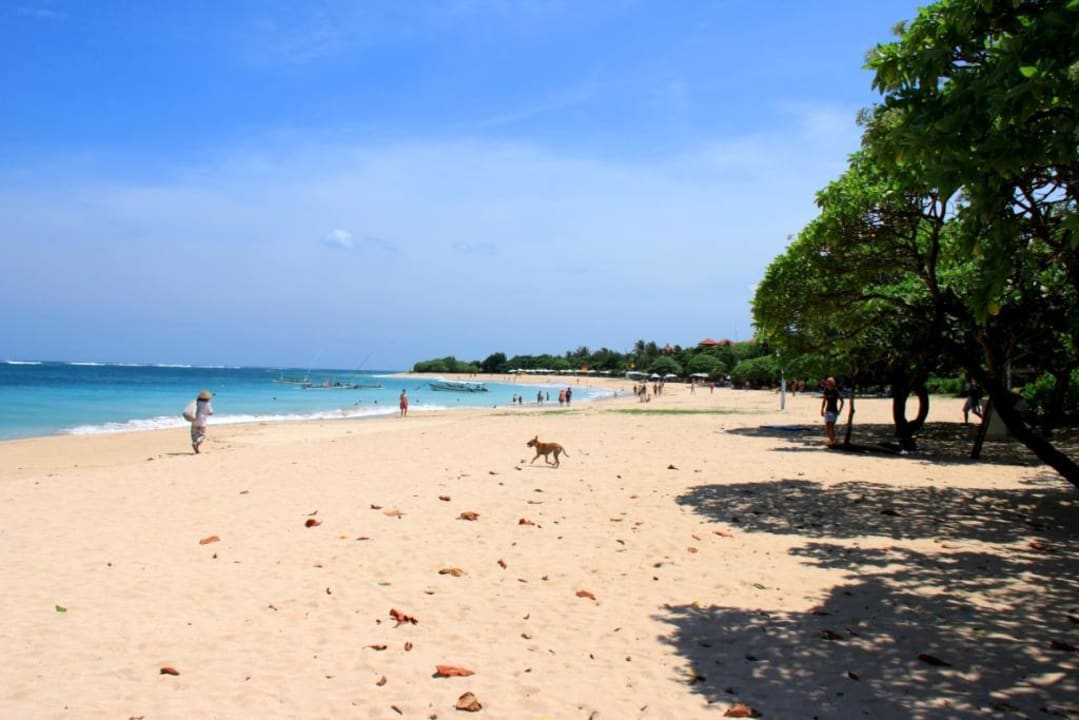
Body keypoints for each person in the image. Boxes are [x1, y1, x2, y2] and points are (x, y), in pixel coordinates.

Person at [820, 377, 844, 447]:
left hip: (834, 411)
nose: (827, 384)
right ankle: (832, 440)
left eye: (829, 383)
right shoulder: (826, 390)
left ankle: (833, 440)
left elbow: (842, 401)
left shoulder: (835, 390)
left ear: (832, 383)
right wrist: (822, 409)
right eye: (827, 383)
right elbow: (824, 400)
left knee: (831, 426)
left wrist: (840, 410)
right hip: (827, 410)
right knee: (827, 426)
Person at [191, 390, 213, 454]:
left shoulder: (196, 402)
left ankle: (196, 448)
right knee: (203, 435)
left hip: (194, 420)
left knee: (194, 435)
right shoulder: (208, 404)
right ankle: (196, 443)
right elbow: (211, 412)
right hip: (202, 422)